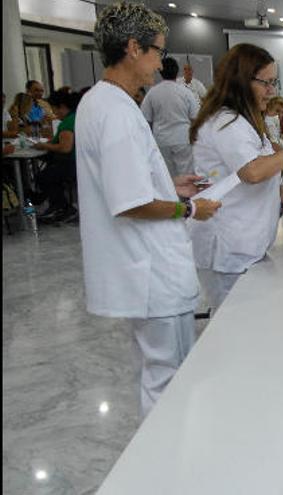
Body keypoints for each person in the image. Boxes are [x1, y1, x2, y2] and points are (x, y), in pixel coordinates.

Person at [76, 2, 221, 418]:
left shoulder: (102, 102)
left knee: (157, 372)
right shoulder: (117, 113)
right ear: (133, 48)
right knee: (169, 378)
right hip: (151, 272)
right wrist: (189, 209)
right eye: (158, 51)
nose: (160, 63)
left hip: (142, 269)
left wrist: (169, 185)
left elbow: (128, 183)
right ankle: (169, 467)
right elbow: (132, 202)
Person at [189, 43, 283, 310]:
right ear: (241, 81)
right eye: (265, 83)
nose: (272, 91)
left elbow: (262, 167)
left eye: (274, 82)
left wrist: (277, 189)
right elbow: (253, 171)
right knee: (231, 329)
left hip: (246, 244)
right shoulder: (226, 122)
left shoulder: (246, 121)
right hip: (227, 248)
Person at [141, 57, 200, 176]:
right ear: (177, 71)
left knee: (166, 174)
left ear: (160, 71)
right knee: (187, 173)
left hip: (161, 139)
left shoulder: (152, 92)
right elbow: (195, 117)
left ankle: (171, 194)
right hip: (183, 138)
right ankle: (187, 195)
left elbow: (145, 119)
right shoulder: (185, 92)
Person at [33, 90, 81, 223]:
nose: (54, 113)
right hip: (76, 162)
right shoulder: (74, 118)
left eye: (54, 109)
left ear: (62, 107)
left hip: (70, 164)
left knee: (43, 177)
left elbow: (65, 148)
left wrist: (44, 146)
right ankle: (58, 206)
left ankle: (61, 207)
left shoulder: (67, 123)